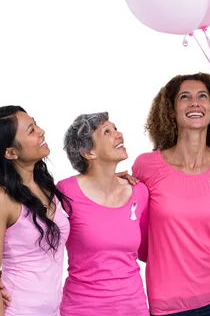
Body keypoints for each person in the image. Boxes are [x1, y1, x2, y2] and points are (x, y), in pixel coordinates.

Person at [132, 72, 210, 315]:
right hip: (167, 302)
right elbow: (134, 232)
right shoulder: (146, 166)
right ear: (171, 111)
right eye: (185, 97)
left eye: (203, 96)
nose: (195, 102)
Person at [0, 105, 70, 316]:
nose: (41, 131)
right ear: (10, 152)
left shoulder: (48, 188)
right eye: (31, 130)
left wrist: (112, 180)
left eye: (35, 124)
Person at [56, 112, 149, 315]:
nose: (119, 134)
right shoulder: (66, 192)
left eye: (116, 128)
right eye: (107, 131)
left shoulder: (140, 192)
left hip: (134, 308)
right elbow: (38, 236)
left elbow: (146, 251)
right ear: (88, 153)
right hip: (82, 308)